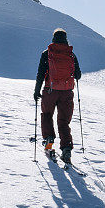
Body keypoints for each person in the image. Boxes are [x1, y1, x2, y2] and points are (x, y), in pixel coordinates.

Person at [34, 28, 81, 164]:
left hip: (50, 91)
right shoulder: (71, 54)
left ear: (53, 38)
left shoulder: (47, 53)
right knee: (63, 122)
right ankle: (66, 150)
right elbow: (78, 75)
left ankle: (49, 143)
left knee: (47, 115)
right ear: (66, 39)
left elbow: (40, 74)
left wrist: (37, 91)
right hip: (67, 93)